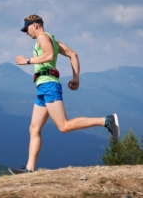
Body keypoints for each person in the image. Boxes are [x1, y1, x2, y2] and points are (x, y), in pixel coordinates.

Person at [8, 14, 120, 175]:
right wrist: (76, 78)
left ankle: (107, 120)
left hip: (48, 85)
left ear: (35, 25)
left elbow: (49, 55)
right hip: (42, 86)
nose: (26, 32)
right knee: (34, 128)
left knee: (63, 126)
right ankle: (29, 169)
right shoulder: (52, 40)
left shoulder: (43, 37)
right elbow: (73, 54)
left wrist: (27, 61)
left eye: (27, 28)